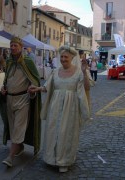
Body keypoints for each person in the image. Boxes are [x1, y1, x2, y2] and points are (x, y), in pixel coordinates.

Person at [28, 45, 90, 173]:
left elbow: (86, 88)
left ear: (72, 58)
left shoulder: (79, 72)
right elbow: (48, 87)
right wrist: (37, 88)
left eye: (66, 57)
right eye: (61, 56)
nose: (63, 59)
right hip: (55, 107)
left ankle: (64, 161)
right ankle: (51, 158)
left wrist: (84, 72)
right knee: (52, 130)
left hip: (71, 108)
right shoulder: (56, 71)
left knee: (66, 133)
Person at [0, 36, 41, 167]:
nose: (12, 47)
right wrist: (3, 88)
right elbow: (7, 79)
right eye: (11, 45)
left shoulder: (28, 61)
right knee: (12, 127)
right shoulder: (10, 61)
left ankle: (10, 157)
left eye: (15, 45)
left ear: (21, 47)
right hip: (10, 99)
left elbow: (35, 80)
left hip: (23, 99)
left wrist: (32, 89)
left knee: (18, 128)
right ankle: (20, 147)